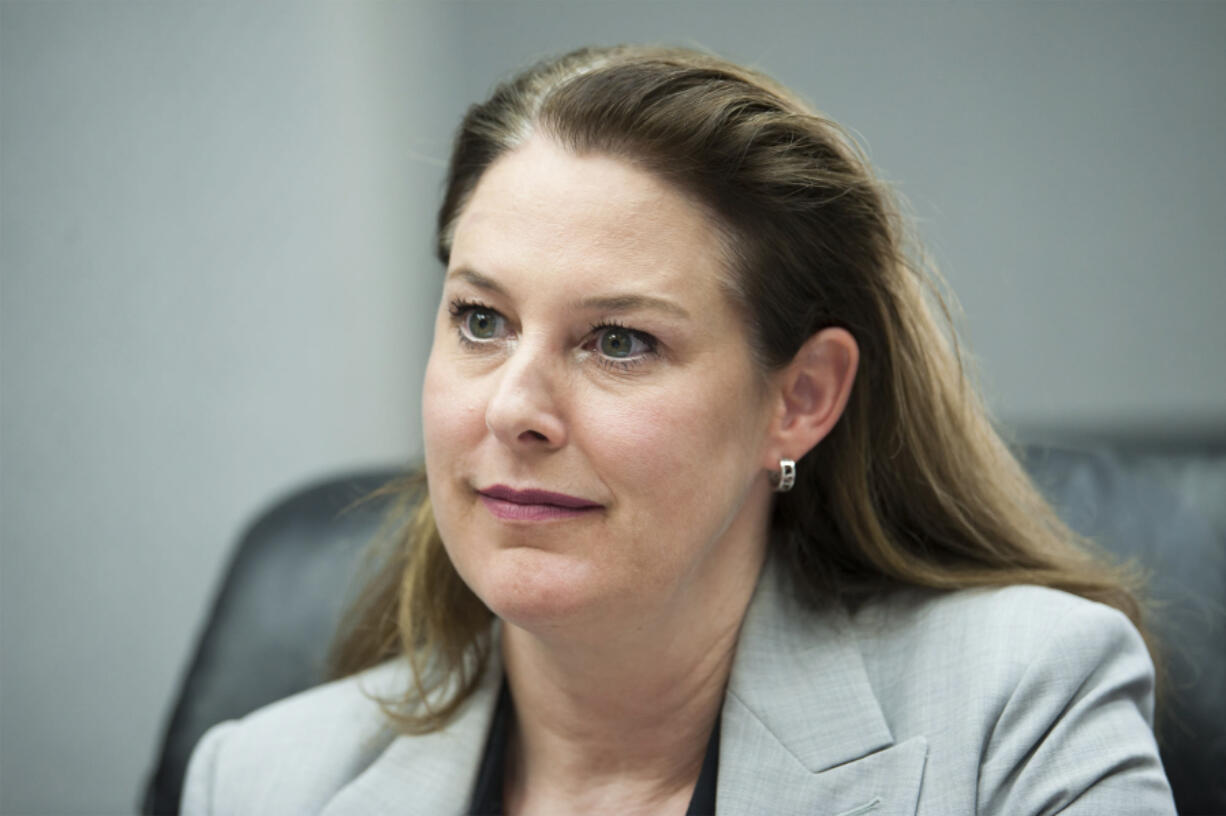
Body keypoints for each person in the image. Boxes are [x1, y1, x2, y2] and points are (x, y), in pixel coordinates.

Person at [182, 45, 1175, 815]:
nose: (511, 410)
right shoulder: (263, 780)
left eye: (618, 341)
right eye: (480, 321)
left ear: (798, 400)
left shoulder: (1016, 705)